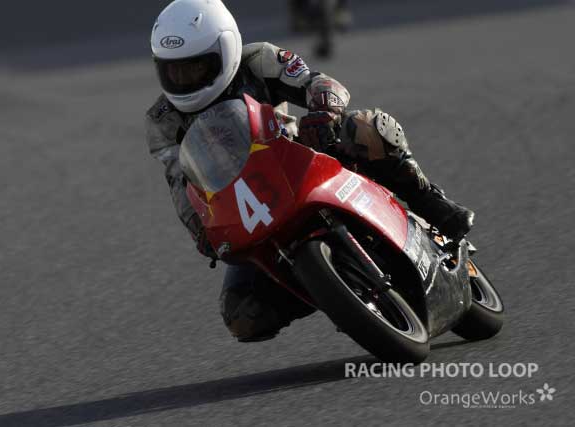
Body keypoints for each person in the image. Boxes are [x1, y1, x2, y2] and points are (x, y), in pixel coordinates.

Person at [146, 0, 474, 342]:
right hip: (249, 206)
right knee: (242, 316)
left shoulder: (258, 60)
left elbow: (321, 83)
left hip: (300, 158)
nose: (183, 79)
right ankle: (332, 291)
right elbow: (179, 184)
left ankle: (429, 200)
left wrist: (323, 112)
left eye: (196, 67)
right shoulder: (161, 122)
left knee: (364, 129)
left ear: (226, 49)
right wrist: (200, 230)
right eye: (172, 70)